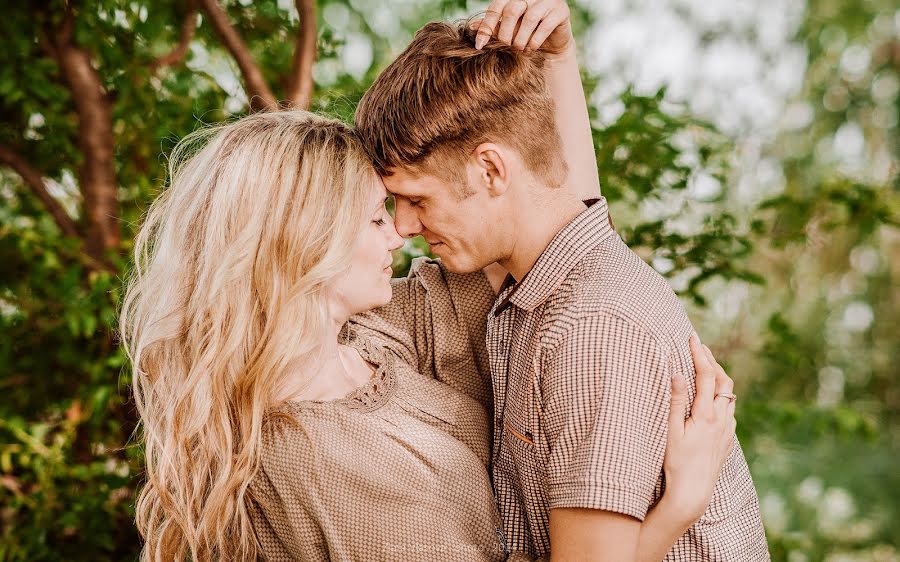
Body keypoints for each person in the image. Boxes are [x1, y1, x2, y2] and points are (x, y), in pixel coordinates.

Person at [120, 11, 738, 562]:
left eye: (408, 202)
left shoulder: (377, 339)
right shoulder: (329, 466)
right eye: (377, 214)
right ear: (305, 248)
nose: (403, 231)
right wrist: (679, 506)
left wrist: (556, 59)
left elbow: (558, 229)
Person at [353, 1, 770, 561]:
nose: (403, 227)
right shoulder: (541, 279)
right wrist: (558, 56)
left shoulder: (591, 330)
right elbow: (561, 186)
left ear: (493, 169)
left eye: (416, 199)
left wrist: (682, 506)